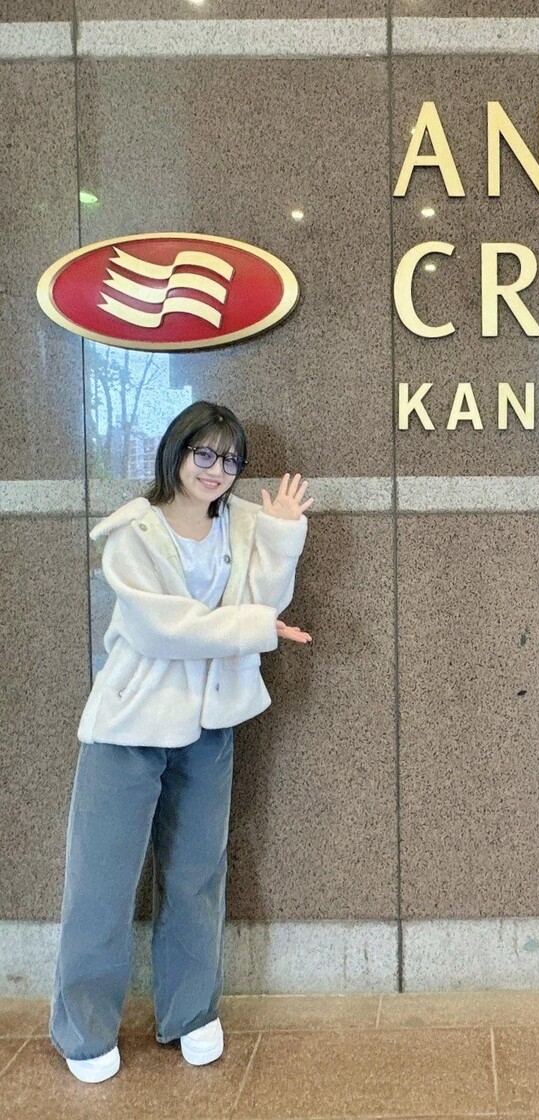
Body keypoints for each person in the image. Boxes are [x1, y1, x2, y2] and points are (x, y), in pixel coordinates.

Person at [50, 401, 313, 1083]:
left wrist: (282, 536)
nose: (217, 470)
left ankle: (191, 1013)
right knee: (101, 884)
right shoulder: (131, 532)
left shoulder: (242, 525)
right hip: (129, 726)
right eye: (205, 454)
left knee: (197, 877)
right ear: (177, 451)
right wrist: (253, 628)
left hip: (209, 726)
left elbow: (263, 603)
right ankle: (84, 1030)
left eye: (230, 460)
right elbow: (161, 628)